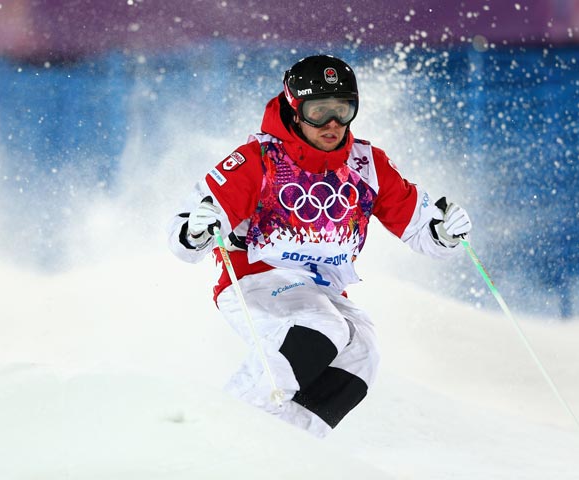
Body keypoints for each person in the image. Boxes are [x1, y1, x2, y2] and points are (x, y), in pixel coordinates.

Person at [168, 54, 472, 437]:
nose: (332, 124)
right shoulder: (257, 159)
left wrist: (443, 232)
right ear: (295, 110)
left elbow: (419, 227)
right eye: (318, 111)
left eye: (343, 110)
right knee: (321, 325)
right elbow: (187, 227)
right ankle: (218, 427)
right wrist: (194, 231)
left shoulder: (366, 164)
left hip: (320, 288)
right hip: (255, 280)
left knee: (362, 350)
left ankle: (292, 443)